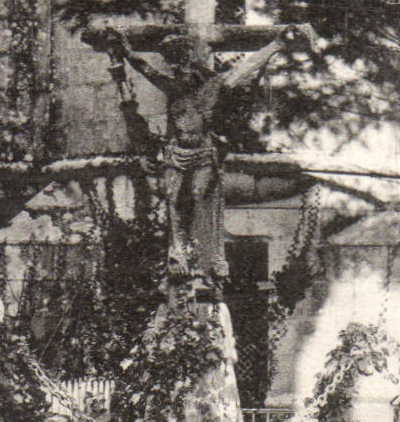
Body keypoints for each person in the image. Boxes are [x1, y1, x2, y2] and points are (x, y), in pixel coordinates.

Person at [106, 25, 312, 295]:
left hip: (203, 153)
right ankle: (178, 251)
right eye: (172, 62)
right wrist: (125, 51)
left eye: (179, 61)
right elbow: (145, 69)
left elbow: (245, 69)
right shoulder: (173, 87)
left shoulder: (214, 87)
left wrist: (276, 45)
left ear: (190, 63)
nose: (176, 68)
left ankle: (209, 259)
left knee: (199, 195)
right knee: (172, 198)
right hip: (176, 154)